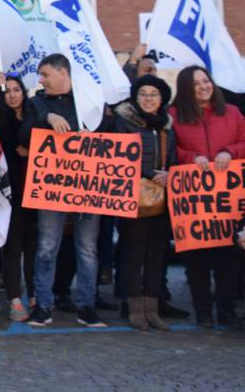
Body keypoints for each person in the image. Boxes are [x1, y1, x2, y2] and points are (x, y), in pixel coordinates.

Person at [20, 54, 107, 328]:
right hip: (52, 188)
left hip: (88, 187)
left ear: (63, 73)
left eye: (45, 74)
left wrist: (91, 134)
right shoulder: (36, 103)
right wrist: (47, 117)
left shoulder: (88, 102)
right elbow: (24, 135)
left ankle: (87, 307)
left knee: (87, 249)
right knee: (46, 247)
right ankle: (43, 305)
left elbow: (111, 132)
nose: (41, 80)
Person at [170, 65, 245, 329]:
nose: (204, 86)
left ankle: (226, 311)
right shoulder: (174, 116)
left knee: (228, 258)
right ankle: (202, 311)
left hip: (227, 201)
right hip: (193, 203)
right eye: (196, 84)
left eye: (206, 81)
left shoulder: (234, 113)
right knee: (196, 260)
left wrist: (229, 151)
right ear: (186, 90)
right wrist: (192, 158)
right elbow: (170, 150)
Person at [112, 74, 176, 331]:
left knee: (156, 255)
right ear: (135, 97)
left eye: (153, 94)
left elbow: (174, 156)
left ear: (162, 99)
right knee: (133, 253)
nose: (148, 99)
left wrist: (170, 174)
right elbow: (119, 155)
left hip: (162, 198)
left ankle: (153, 309)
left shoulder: (168, 126)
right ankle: (135, 308)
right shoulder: (124, 121)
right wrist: (150, 175)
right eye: (143, 94)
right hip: (132, 196)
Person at [0, 73, 36, 322]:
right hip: (10, 193)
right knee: (13, 246)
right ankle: (14, 299)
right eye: (7, 90)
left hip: (35, 192)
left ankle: (33, 293)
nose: (12, 94)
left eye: (16, 90)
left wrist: (33, 151)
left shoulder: (35, 117)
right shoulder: (1, 117)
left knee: (33, 246)